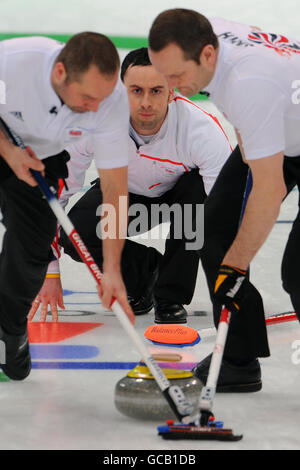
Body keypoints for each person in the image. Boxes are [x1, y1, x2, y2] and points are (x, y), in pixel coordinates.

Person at [148, 9, 300, 392]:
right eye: (162, 75)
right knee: (213, 229)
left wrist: (236, 265)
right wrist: (249, 143)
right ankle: (237, 358)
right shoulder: (204, 35)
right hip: (281, 131)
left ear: (208, 56)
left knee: (297, 271)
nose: (170, 87)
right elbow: (245, 117)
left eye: (176, 77)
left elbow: (269, 192)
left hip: (281, 128)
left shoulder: (251, 84)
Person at [28, 47, 232, 325]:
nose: (146, 102)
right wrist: (49, 272)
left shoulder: (202, 131)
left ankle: (170, 297)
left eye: (156, 91)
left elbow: (224, 212)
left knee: (196, 200)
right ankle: (147, 272)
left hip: (181, 198)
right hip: (122, 198)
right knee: (74, 233)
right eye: (136, 91)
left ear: (173, 91)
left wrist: (232, 285)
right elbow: (55, 196)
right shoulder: (91, 123)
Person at [0, 32, 134, 381]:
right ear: (60, 72)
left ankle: (7, 330)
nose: (95, 108)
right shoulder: (14, 63)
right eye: (88, 98)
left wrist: (114, 269)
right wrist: (7, 150)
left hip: (41, 158)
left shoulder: (111, 102)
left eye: (101, 99)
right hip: (6, 142)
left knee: (34, 248)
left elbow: (115, 188)